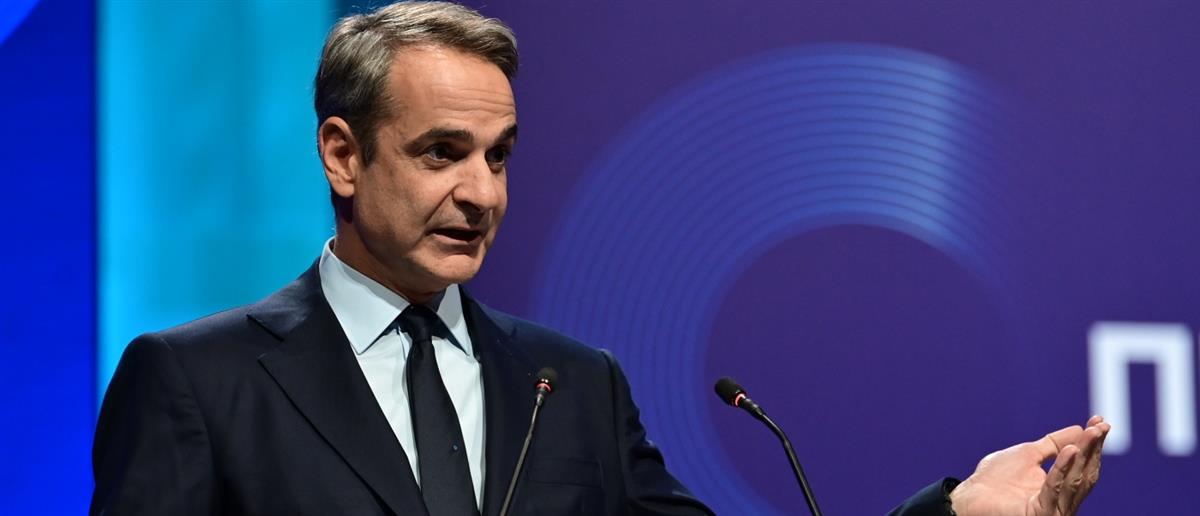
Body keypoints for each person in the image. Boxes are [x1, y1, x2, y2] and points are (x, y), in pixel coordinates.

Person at [90, 2, 1109, 515]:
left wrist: (954, 515)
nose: (483, 194)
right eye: (442, 153)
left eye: (499, 156)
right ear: (343, 155)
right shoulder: (197, 384)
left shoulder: (571, 385)